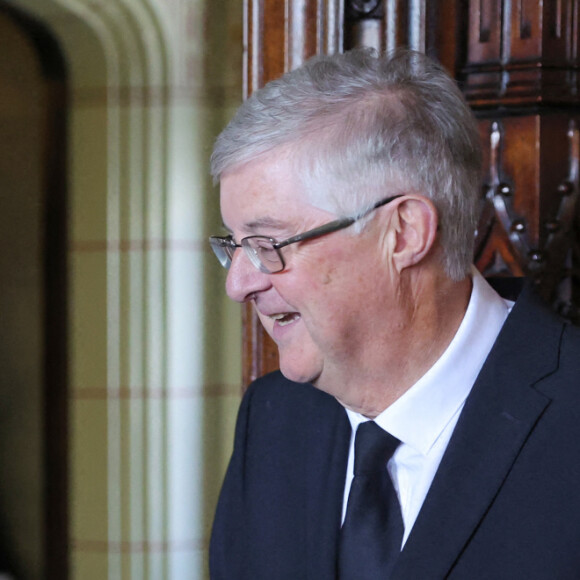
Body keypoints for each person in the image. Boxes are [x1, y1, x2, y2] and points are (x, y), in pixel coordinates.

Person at [207, 48, 580, 580]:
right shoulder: (274, 419)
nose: (238, 284)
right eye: (233, 246)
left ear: (403, 232)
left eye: (267, 243)